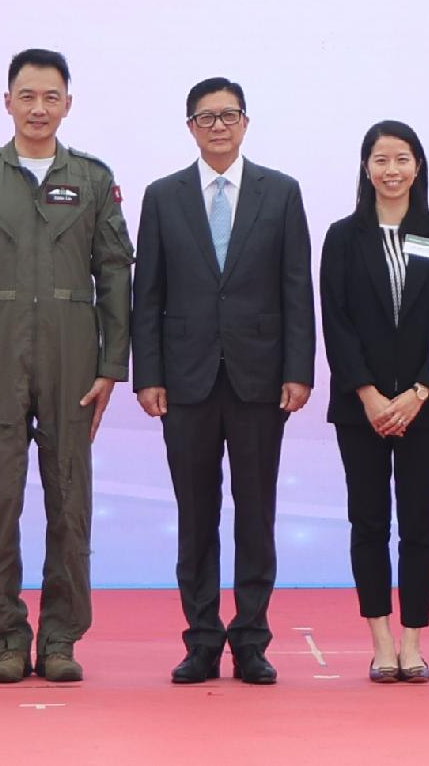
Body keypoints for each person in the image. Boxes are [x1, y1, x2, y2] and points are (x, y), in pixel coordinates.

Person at [0, 48, 135, 685]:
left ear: (67, 104)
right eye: (27, 96)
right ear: (7, 101)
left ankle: (59, 640)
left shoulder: (95, 179)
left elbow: (114, 276)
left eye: (51, 97)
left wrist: (112, 366)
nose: (39, 108)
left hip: (74, 356)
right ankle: (5, 638)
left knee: (70, 498)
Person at [128, 77, 315, 686]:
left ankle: (252, 640)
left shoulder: (281, 193)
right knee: (195, 514)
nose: (217, 126)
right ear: (189, 127)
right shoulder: (163, 196)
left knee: (256, 514)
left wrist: (298, 370)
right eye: (205, 118)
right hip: (184, 381)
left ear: (245, 122)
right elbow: (146, 294)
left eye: (227, 115)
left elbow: (296, 290)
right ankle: (202, 639)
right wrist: (147, 374)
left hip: (261, 379)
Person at [316, 119, 429, 684]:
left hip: (425, 405)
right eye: (381, 159)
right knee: (368, 521)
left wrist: (421, 390)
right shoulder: (343, 236)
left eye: (402, 159)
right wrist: (371, 395)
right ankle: (379, 641)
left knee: (419, 521)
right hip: (361, 408)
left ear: (417, 166)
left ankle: (414, 641)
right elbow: (337, 320)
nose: (391, 170)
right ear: (366, 167)